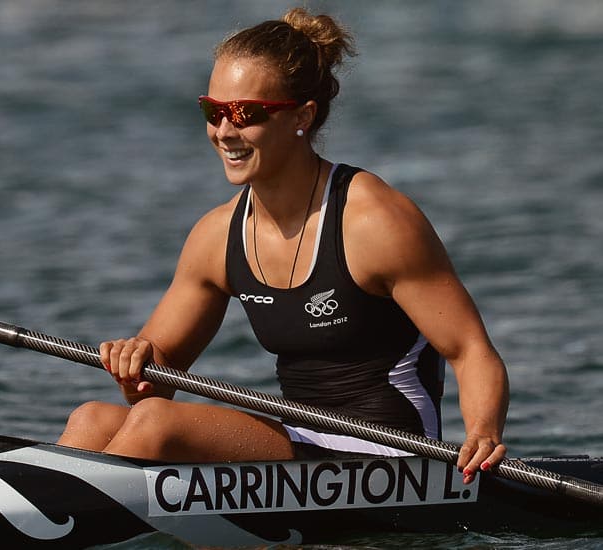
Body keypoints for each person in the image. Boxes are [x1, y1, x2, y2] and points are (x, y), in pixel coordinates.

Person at [56, 6, 509, 484]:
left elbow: (471, 351)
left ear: (302, 116)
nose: (224, 132)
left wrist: (482, 431)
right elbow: (154, 384)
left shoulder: (374, 220)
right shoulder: (216, 235)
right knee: (93, 419)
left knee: (155, 427)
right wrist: (134, 366)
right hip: (301, 444)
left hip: (388, 454)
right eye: (214, 111)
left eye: (246, 114)